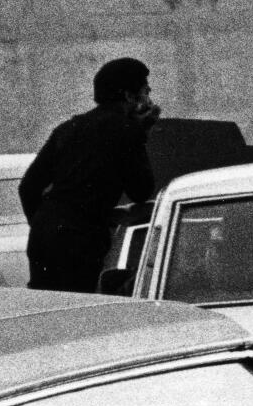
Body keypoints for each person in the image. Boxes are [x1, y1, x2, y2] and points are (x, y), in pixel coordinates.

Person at [19, 57, 160, 294]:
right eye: (145, 91)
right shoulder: (125, 130)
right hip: (81, 242)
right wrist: (141, 131)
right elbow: (141, 190)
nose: (149, 99)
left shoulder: (68, 129)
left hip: (44, 237)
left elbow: (28, 188)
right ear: (129, 96)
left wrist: (50, 226)